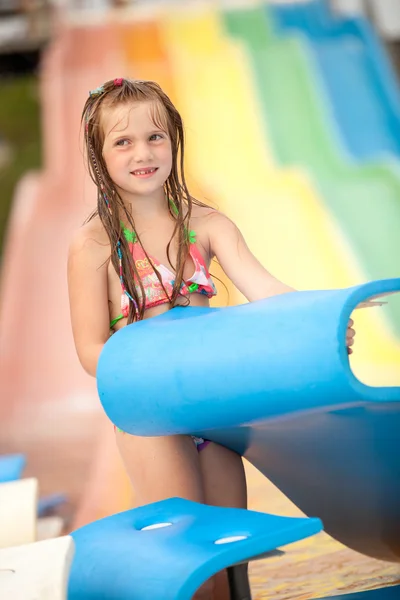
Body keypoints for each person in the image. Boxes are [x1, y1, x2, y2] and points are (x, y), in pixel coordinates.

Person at [67, 77, 356, 599]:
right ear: (98, 155)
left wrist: (323, 323)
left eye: (156, 137)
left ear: (175, 140)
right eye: (123, 142)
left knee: (232, 552)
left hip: (213, 407)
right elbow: (90, 351)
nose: (143, 153)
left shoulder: (206, 225)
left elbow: (267, 290)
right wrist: (149, 361)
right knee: (191, 557)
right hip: (151, 414)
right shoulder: (93, 245)